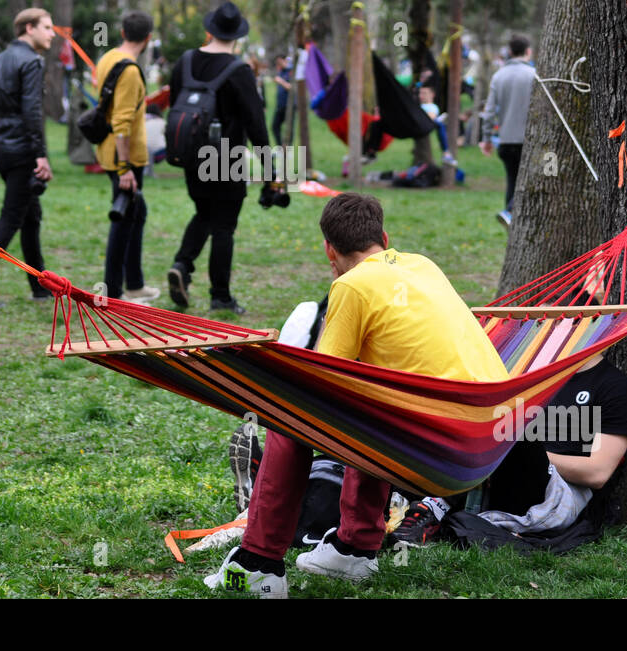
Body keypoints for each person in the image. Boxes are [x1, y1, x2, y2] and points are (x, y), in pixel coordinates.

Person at [205, 193, 508, 597]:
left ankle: (258, 563)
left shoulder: (351, 286)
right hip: (486, 437)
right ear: (384, 236)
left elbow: (323, 381)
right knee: (370, 409)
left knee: (288, 415)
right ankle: (354, 549)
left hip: (439, 445)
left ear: (329, 250)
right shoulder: (424, 265)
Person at [391, 354, 627, 549]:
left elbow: (596, 473)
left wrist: (516, 454)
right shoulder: (532, 375)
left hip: (557, 491)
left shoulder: (615, 388)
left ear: (584, 326)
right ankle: (416, 502)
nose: (543, 332)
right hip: (495, 475)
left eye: (553, 323)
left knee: (508, 437)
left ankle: (430, 507)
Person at [166, 1, 271, 315]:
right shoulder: (239, 70)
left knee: (203, 214)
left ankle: (182, 266)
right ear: (236, 36)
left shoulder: (184, 62)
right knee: (224, 226)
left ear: (209, 30)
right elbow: (256, 122)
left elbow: (175, 104)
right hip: (227, 157)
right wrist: (270, 170)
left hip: (191, 154)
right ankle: (221, 296)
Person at [0, 7, 56, 307]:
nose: (52, 33)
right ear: (29, 28)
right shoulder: (31, 61)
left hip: (3, 149)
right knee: (13, 216)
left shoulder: (0, 59)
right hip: (21, 150)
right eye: (47, 27)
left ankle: (40, 285)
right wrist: (40, 155)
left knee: (31, 216)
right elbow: (32, 110)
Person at [96, 11, 160, 303]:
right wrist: (125, 169)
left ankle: (134, 284)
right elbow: (121, 121)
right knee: (123, 220)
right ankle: (114, 291)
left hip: (112, 152)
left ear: (122, 32)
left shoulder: (108, 58)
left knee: (138, 212)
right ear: (148, 38)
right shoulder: (131, 71)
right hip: (125, 158)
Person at [479, 34, 536, 228]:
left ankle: (511, 219)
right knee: (527, 180)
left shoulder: (498, 75)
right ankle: (510, 211)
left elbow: (488, 113)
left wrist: (486, 139)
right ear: (528, 51)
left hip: (505, 141)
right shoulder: (533, 75)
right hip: (528, 141)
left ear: (510, 52)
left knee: (513, 179)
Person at [417, 83, 456, 166]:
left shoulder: (432, 107)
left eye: (424, 93)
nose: (421, 95)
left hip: (427, 125)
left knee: (440, 124)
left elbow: (431, 118)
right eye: (420, 93)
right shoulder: (418, 105)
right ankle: (446, 153)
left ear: (432, 95)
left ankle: (446, 153)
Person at [271, 54, 293, 146]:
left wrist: (281, 81)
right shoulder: (281, 72)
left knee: (289, 128)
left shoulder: (291, 72)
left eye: (280, 62)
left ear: (285, 61)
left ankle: (288, 148)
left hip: (289, 105)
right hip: (280, 105)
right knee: (275, 126)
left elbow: (292, 87)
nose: (279, 65)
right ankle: (280, 146)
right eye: (277, 63)